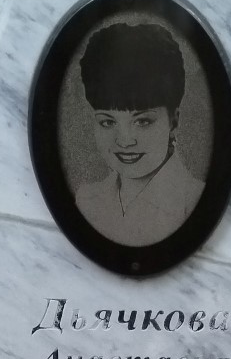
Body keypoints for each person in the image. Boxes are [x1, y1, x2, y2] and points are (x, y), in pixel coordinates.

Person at [71, 19, 202, 247]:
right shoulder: (87, 200)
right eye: (107, 122)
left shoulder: (195, 203)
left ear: (173, 121)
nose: (124, 140)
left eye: (142, 121)